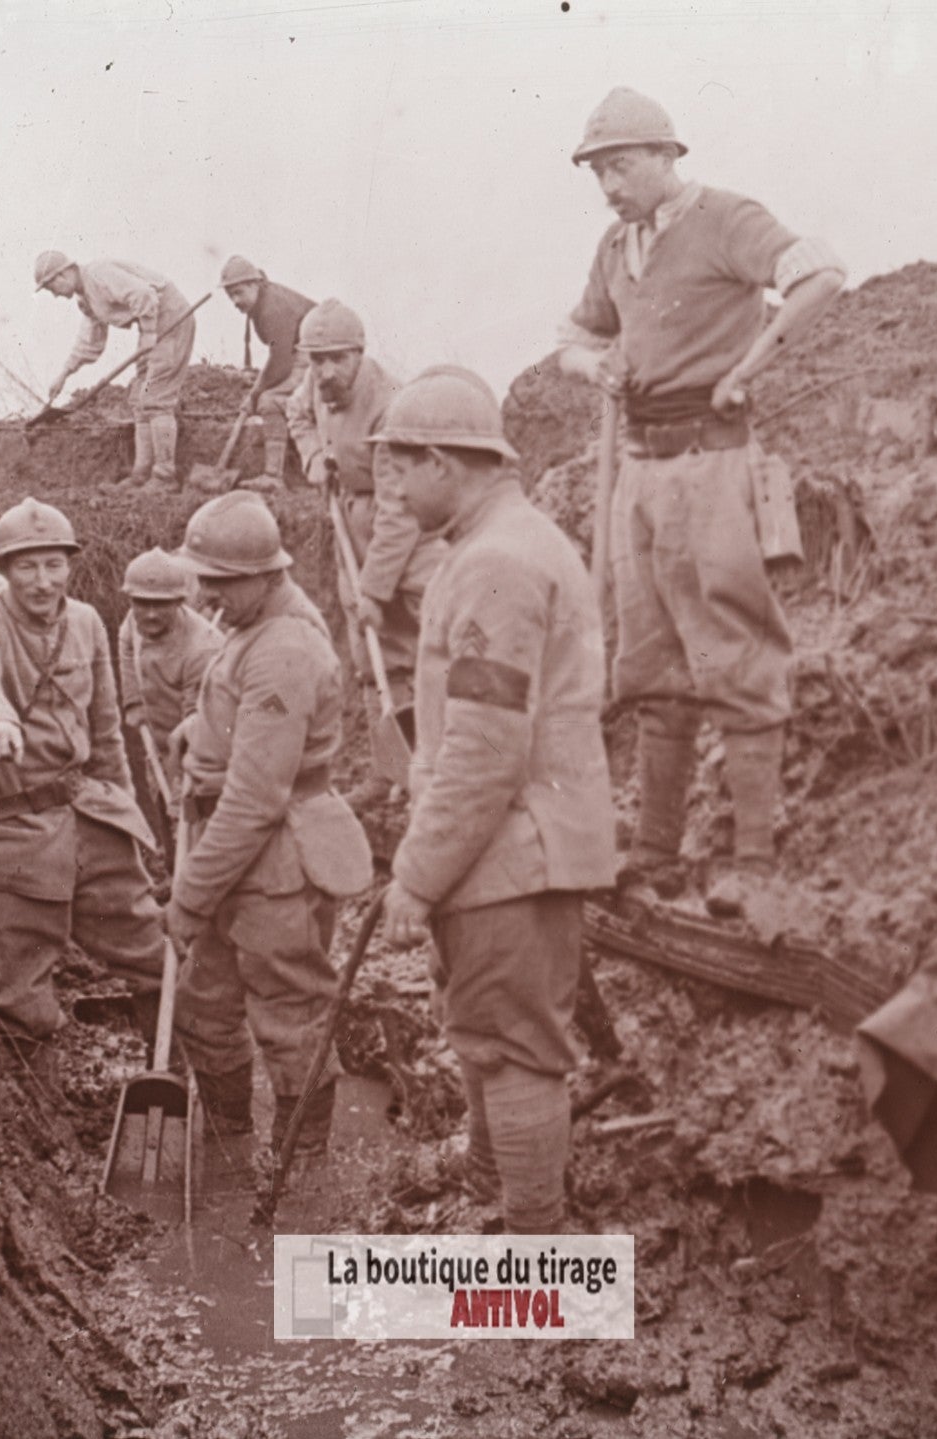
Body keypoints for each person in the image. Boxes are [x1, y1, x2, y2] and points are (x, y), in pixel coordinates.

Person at [555, 88, 846, 918]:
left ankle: (754, 863)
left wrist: (748, 368)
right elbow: (574, 337)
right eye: (598, 172)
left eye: (621, 166)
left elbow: (821, 274)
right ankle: (656, 853)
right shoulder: (617, 247)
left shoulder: (725, 219)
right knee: (651, 662)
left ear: (666, 156)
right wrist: (595, 366)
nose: (609, 186)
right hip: (640, 473)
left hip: (712, 465)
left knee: (737, 653)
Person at [374, 369, 617, 1234]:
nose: (395, 493)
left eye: (402, 470)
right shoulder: (498, 547)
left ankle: (532, 1263)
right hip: (507, 847)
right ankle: (489, 1188)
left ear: (443, 462)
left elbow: (484, 752)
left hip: (513, 849)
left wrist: (414, 877)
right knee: (483, 1028)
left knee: (513, 1051)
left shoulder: (496, 565)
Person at [167, 492, 373, 1153]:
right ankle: (229, 1147)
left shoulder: (285, 647)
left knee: (290, 1016)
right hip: (239, 853)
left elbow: (256, 798)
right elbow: (251, 716)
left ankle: (300, 1172)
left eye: (221, 581)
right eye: (203, 578)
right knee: (204, 1008)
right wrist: (201, 729)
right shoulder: (257, 620)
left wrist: (188, 897)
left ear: (266, 572)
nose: (205, 596)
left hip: (274, 859)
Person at [0, 498, 166, 1088]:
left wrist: (126, 818)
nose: (43, 581)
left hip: (85, 815)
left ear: (69, 565)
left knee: (156, 956)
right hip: (5, 835)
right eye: (27, 567)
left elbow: (106, 731)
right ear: (5, 570)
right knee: (18, 997)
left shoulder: (86, 623)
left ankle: (177, 1085)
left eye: (54, 565)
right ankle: (42, 1120)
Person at [286, 298, 444, 708]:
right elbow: (296, 413)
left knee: (426, 639)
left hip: (408, 532)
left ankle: (438, 733)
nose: (325, 371)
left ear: (358, 353)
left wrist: (373, 589)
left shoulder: (390, 406)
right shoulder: (317, 383)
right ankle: (388, 741)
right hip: (351, 517)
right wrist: (313, 455)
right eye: (316, 359)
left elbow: (400, 510)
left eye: (337, 359)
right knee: (370, 658)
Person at [35, 251, 197, 492]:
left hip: (171, 319)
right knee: (140, 399)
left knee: (156, 398)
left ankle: (165, 477)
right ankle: (141, 475)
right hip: (152, 325)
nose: (55, 295)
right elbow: (90, 342)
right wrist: (64, 373)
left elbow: (143, 294)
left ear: (63, 275)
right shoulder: (85, 300)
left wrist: (148, 332)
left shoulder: (99, 274)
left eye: (51, 288)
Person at [116, 547, 223, 816]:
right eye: (142, 603)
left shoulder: (201, 648)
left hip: (202, 750)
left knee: (191, 819)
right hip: (156, 740)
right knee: (162, 811)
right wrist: (133, 701)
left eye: (161, 604)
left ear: (179, 602)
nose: (150, 614)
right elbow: (126, 643)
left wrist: (177, 785)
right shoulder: (134, 621)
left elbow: (194, 728)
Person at [219, 255, 316, 494]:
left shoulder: (272, 307)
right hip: (309, 351)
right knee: (270, 397)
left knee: (269, 400)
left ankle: (274, 476)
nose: (235, 301)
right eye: (230, 295)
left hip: (318, 354)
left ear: (254, 284)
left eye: (238, 292)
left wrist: (255, 394)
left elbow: (281, 363)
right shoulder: (264, 300)